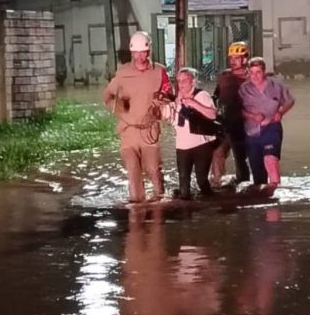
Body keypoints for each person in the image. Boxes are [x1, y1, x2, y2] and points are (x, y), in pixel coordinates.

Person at [103, 31, 173, 203]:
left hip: (150, 130)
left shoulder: (160, 71)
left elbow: (169, 91)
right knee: (133, 171)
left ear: (149, 51)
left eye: (143, 52)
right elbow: (107, 96)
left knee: (153, 169)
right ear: (132, 52)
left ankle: (159, 206)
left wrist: (162, 98)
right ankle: (136, 208)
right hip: (128, 131)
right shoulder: (123, 72)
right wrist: (118, 106)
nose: (140, 56)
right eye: (136, 53)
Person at [162, 67, 219, 200]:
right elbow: (174, 121)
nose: (181, 84)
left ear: (193, 81)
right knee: (183, 182)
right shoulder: (176, 99)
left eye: (185, 81)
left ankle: (212, 207)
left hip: (202, 145)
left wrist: (193, 103)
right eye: (179, 81)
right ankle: (186, 213)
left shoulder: (201, 95)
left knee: (201, 180)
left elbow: (212, 115)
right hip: (182, 146)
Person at [238, 57, 295, 191]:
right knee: (258, 172)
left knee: (270, 159)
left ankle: (276, 190)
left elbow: (290, 101)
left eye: (258, 72)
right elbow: (237, 110)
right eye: (251, 73)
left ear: (264, 72)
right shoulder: (244, 89)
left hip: (272, 127)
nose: (255, 76)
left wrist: (281, 112)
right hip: (252, 131)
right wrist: (252, 116)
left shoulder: (277, 86)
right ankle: (262, 199)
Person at [210, 41, 255, 187]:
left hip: (243, 124)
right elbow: (216, 96)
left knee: (240, 157)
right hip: (224, 122)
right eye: (231, 58)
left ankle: (244, 184)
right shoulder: (224, 76)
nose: (233, 61)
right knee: (217, 152)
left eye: (237, 58)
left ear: (245, 58)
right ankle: (217, 183)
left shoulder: (252, 78)